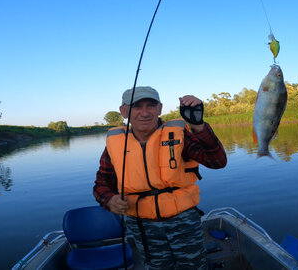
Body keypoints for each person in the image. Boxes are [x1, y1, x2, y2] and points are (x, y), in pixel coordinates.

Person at [93, 86, 227, 269]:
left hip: (183, 220)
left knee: (193, 266)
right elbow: (101, 184)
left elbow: (217, 161)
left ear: (160, 109)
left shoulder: (179, 135)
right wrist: (110, 199)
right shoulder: (115, 144)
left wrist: (198, 125)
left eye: (151, 106)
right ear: (124, 111)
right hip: (142, 224)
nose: (145, 113)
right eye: (137, 107)